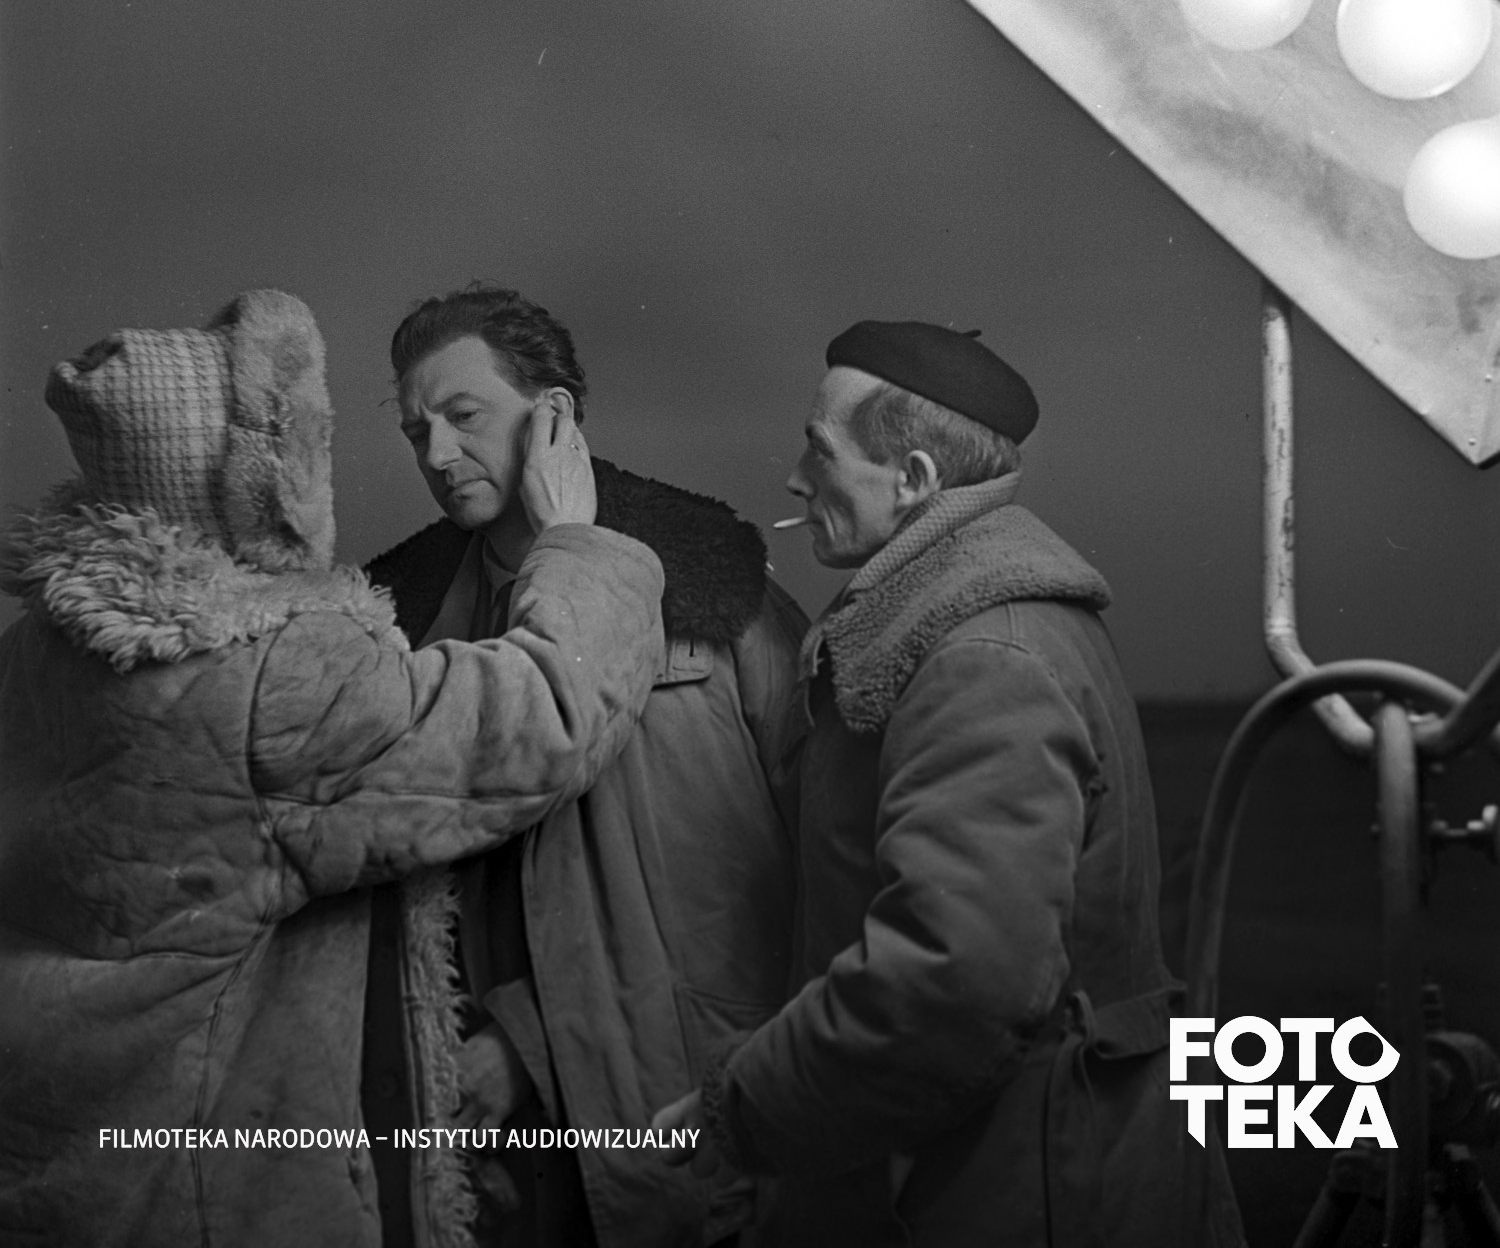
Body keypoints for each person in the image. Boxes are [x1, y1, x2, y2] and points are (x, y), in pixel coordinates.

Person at [0, 289, 665, 1248]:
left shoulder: (38, 645)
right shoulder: (263, 675)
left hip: (70, 1146)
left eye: (464, 415)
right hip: (208, 1180)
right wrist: (574, 543)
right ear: (251, 480)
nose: (434, 455)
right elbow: (543, 717)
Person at [654, 320, 1246, 1247]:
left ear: (916, 480)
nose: (795, 480)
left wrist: (747, 1106)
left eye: (820, 450)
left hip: (1016, 1194)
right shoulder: (972, 623)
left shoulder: (982, 657)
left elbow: (957, 979)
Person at [364, 285, 807, 1248]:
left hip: (692, 1113)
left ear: (554, 413)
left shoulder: (720, 600)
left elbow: (822, 855)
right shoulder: (403, 630)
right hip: (502, 1152)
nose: (436, 454)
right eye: (416, 431)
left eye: (464, 414)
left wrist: (529, 1039)